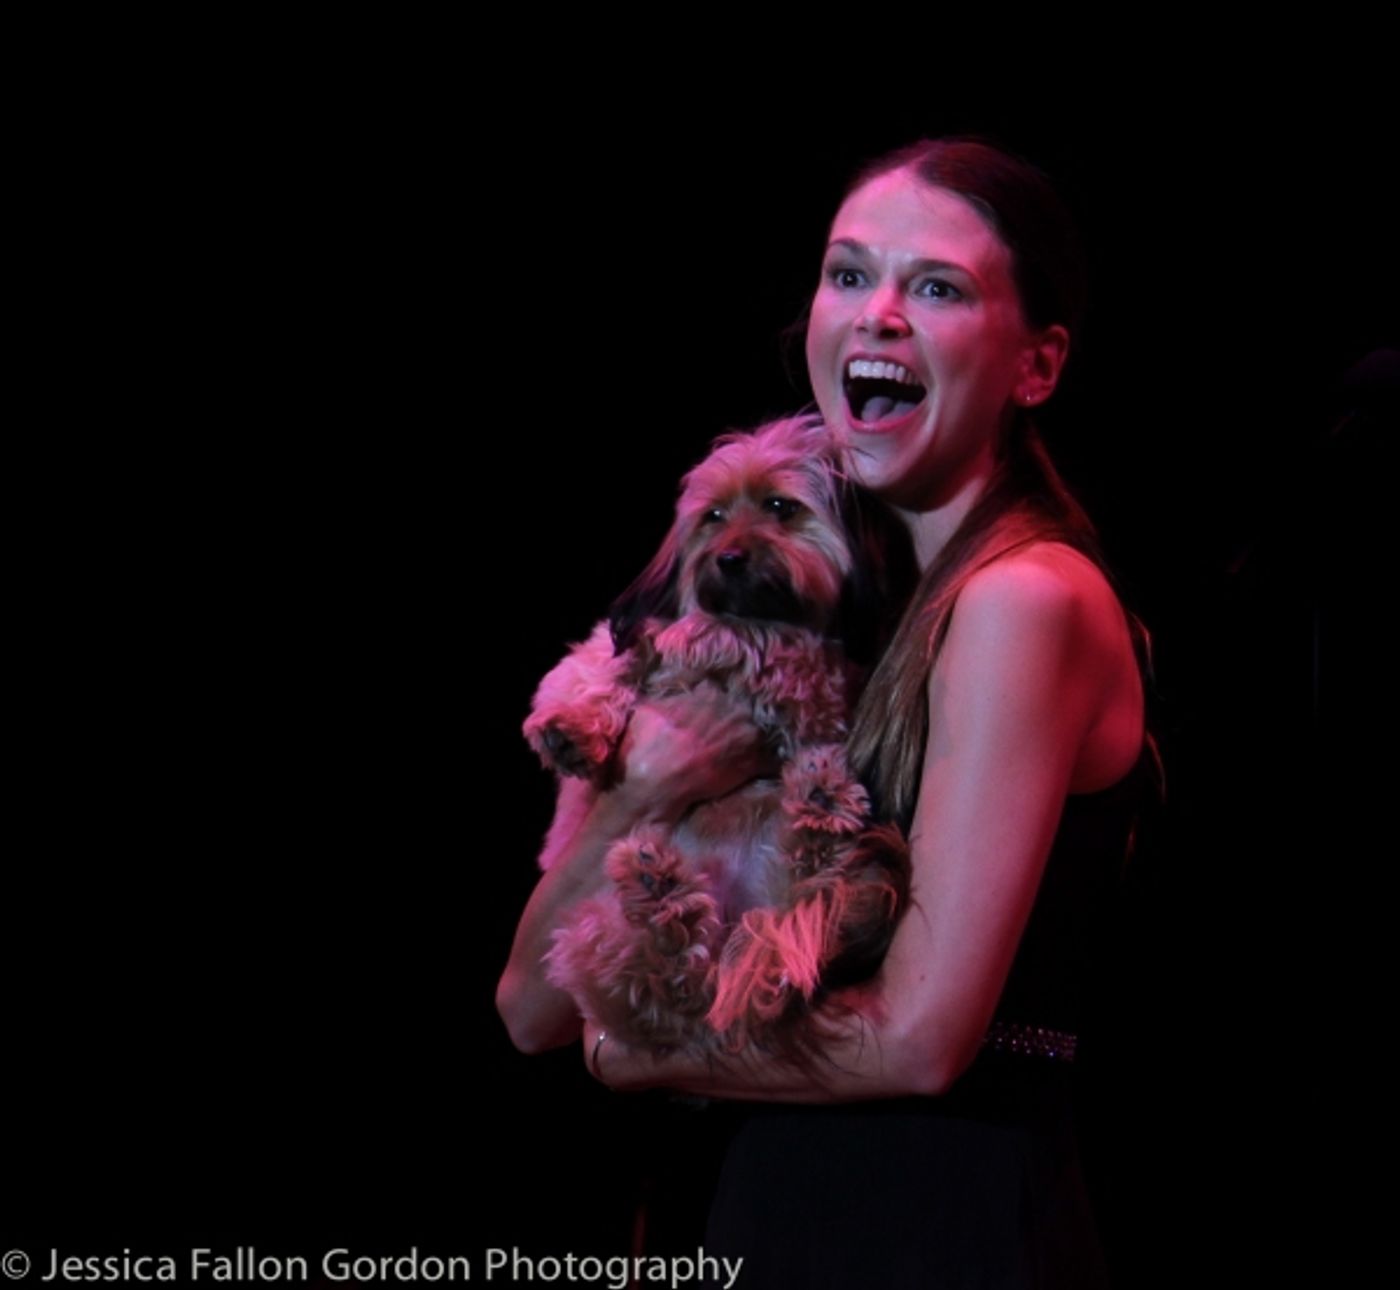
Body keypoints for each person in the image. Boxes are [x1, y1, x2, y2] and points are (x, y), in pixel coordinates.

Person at [498, 136, 1161, 1288]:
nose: (877, 316)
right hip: (790, 1207)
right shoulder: (830, 620)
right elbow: (527, 1010)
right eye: (849, 273)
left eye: (937, 288)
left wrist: (638, 1054)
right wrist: (647, 792)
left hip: (938, 1225)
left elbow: (916, 1039)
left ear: (1035, 365)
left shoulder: (1019, 598)